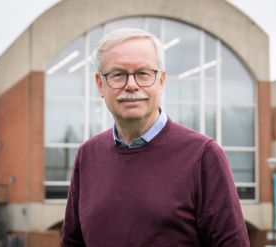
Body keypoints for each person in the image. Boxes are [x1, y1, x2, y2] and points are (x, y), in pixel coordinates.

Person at [61, 28, 250, 247]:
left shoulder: (202, 155)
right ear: (100, 84)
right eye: (118, 74)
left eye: (143, 73)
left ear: (161, 81)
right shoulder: (88, 155)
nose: (131, 85)